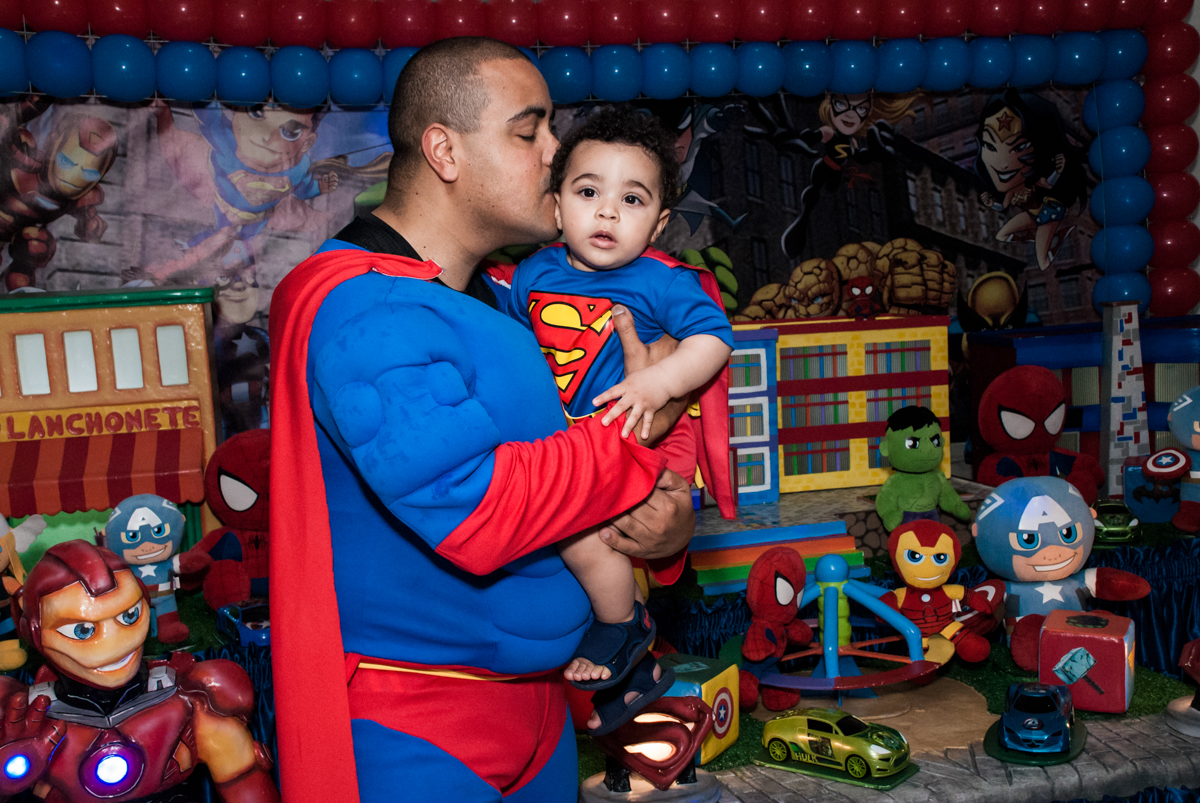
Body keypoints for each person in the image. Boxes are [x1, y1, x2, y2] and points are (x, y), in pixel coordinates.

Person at [268, 37, 697, 803]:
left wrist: (660, 535)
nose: (555, 154)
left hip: (538, 713)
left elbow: (576, 475)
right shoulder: (368, 310)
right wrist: (635, 431)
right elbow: (484, 508)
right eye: (529, 130)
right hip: (418, 727)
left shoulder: (501, 300)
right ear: (445, 150)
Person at [493, 108, 733, 733]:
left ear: (657, 224)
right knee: (554, 530)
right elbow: (518, 349)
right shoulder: (532, 272)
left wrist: (659, 381)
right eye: (588, 192)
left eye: (631, 199)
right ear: (555, 205)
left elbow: (713, 340)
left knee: (579, 534)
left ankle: (622, 625)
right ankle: (621, 673)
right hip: (558, 440)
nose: (606, 213)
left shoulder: (660, 282)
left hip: (621, 442)